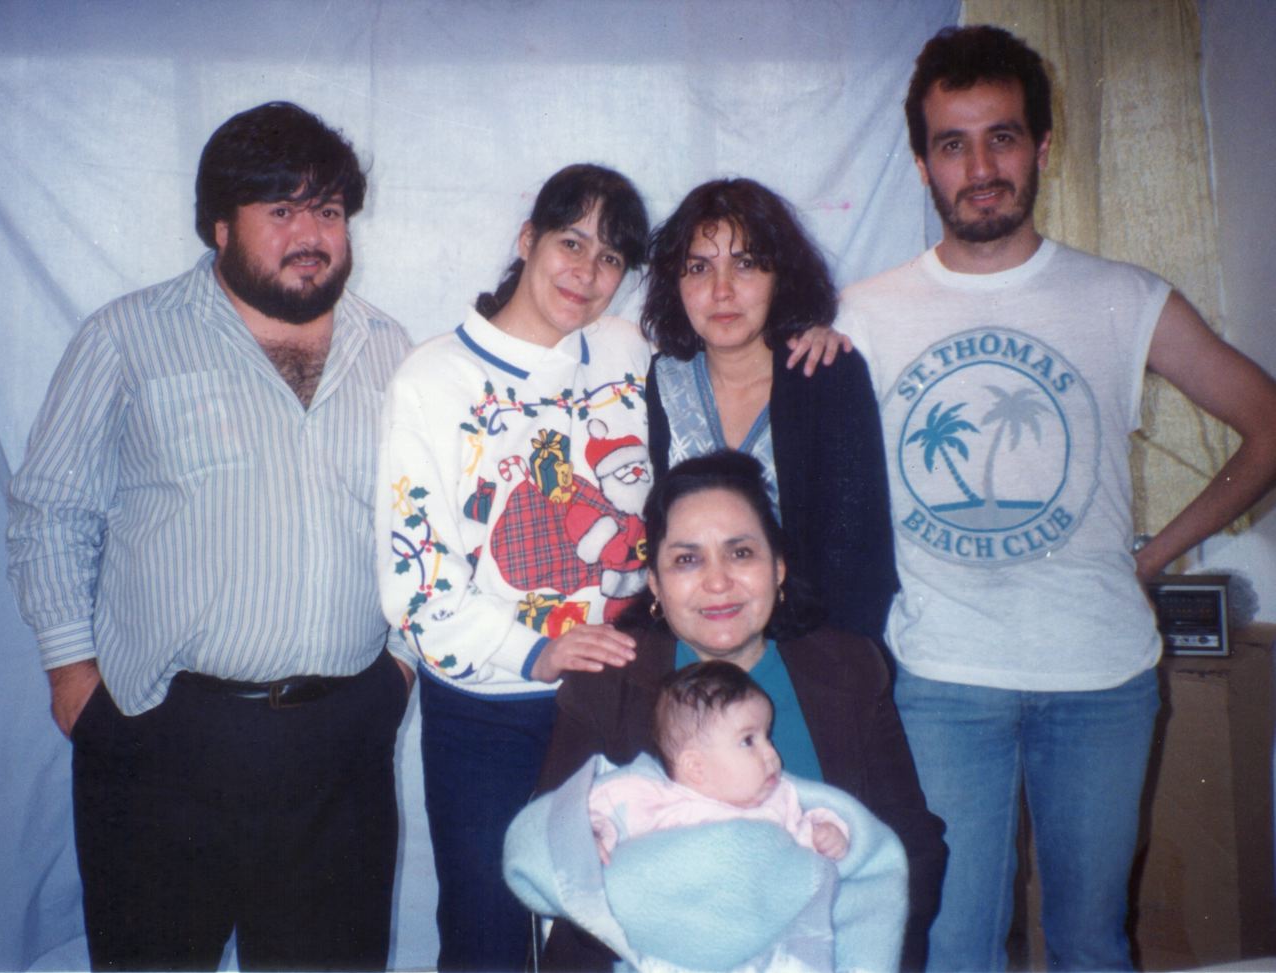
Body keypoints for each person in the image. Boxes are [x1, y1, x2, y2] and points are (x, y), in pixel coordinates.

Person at [839, 25, 1276, 972]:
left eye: (1001, 136)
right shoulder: (865, 313)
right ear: (921, 164)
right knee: (954, 947)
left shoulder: (1123, 297)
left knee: (1090, 942)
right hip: (941, 678)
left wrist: (1155, 557)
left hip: (1101, 678)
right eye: (951, 143)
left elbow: (1267, 423)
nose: (979, 165)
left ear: (1042, 145)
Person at [5, 102, 414, 971]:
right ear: (220, 225)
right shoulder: (127, 336)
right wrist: (76, 675)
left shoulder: (390, 350)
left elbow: (424, 523)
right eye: (282, 210)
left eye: (330, 211)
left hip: (341, 748)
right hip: (164, 740)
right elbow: (50, 510)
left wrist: (400, 667)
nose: (312, 233)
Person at [377, 163, 653, 972]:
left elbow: (733, 343)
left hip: (614, 694)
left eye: (609, 258)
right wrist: (535, 647)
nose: (587, 272)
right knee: (487, 929)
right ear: (527, 240)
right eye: (570, 242)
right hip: (487, 708)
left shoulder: (626, 350)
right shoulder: (434, 378)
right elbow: (416, 575)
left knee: (612, 925)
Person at [535, 450, 946, 972]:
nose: (717, 582)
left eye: (741, 553)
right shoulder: (609, 680)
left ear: (778, 567)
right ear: (656, 587)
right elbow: (554, 850)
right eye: (687, 559)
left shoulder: (848, 668)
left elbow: (910, 846)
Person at [643, 178, 898, 640]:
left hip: (810, 652)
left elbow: (858, 559)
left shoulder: (824, 374)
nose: (722, 291)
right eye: (698, 268)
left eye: (745, 265)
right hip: (692, 653)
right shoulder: (662, 379)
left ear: (780, 276)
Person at [588, 661, 850, 865]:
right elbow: (587, 814)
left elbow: (807, 835)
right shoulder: (654, 801)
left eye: (767, 737)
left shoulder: (780, 800)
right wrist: (593, 838)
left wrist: (827, 834)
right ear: (696, 767)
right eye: (748, 741)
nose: (772, 753)